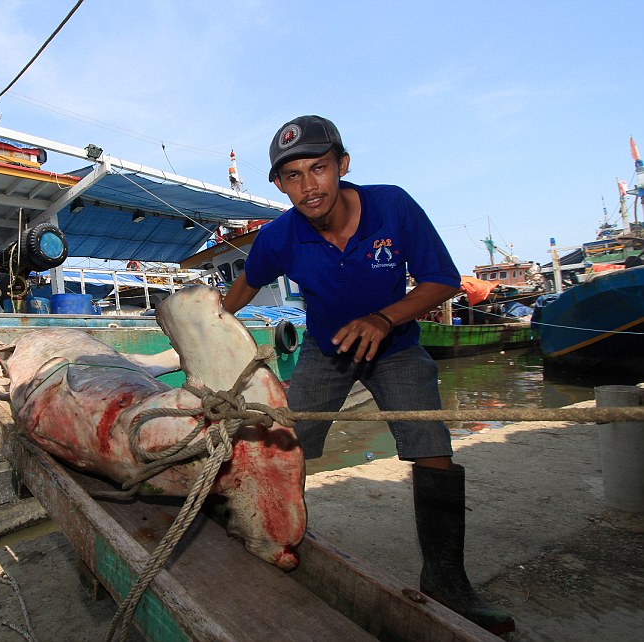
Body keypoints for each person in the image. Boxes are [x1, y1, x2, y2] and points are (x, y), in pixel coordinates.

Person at [221, 115, 515, 635]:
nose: (309, 186)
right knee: (283, 445)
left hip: (397, 346)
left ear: (343, 166)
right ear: (278, 185)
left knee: (433, 450)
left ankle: (447, 582)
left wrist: (384, 319)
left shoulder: (392, 205)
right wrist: (210, 331)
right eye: (293, 176)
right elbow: (246, 285)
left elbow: (442, 280)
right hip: (325, 350)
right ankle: (263, 535)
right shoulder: (279, 237)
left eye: (319, 168)